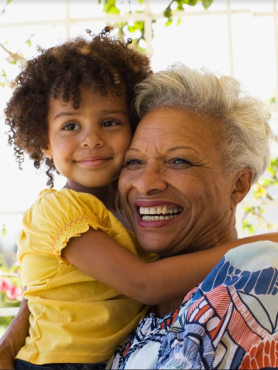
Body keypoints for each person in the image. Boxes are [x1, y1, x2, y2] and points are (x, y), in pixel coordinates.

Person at [1, 28, 254, 369]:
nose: (92, 139)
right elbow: (144, 284)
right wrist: (259, 243)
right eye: (70, 126)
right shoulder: (59, 209)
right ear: (43, 142)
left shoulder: (132, 209)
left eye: (109, 122)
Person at [106, 63, 278, 369]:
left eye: (179, 161)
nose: (146, 183)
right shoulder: (133, 298)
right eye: (133, 161)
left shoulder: (258, 280)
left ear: (238, 185)